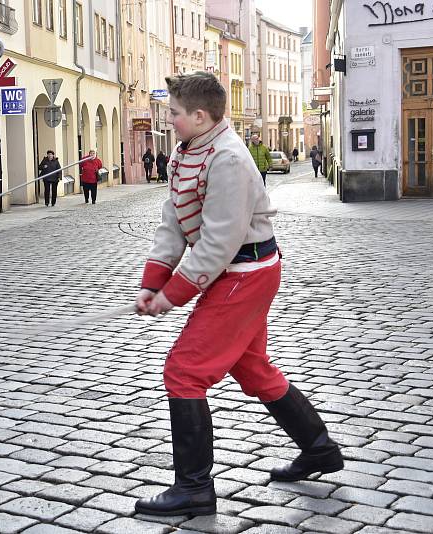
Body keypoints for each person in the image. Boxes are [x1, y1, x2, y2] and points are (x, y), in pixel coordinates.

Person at [134, 72, 343, 518]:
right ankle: (319, 449)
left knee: (184, 370)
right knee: (252, 368)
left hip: (245, 272)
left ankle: (193, 488)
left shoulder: (227, 158)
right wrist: (153, 282)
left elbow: (218, 242)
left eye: (173, 113)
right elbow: (172, 222)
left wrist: (172, 295)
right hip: (236, 271)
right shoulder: (188, 150)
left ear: (199, 115)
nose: (168, 120)